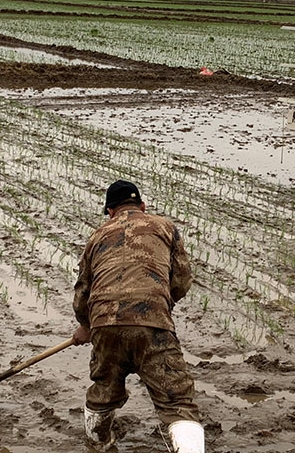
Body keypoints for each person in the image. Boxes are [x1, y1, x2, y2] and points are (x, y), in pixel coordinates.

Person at [72, 180, 203, 453]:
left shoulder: (97, 236)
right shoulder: (164, 227)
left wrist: (85, 325)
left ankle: (100, 445)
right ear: (142, 206)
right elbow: (181, 280)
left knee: (104, 391)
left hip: (105, 324)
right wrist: (160, 304)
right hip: (152, 322)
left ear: (110, 211)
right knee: (177, 400)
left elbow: (83, 290)